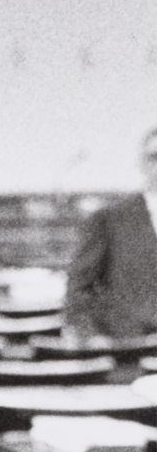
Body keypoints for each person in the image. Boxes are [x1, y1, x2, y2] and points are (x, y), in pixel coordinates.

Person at [65, 126, 157, 342]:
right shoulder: (109, 220)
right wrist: (92, 337)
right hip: (129, 352)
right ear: (142, 164)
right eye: (155, 157)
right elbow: (78, 292)